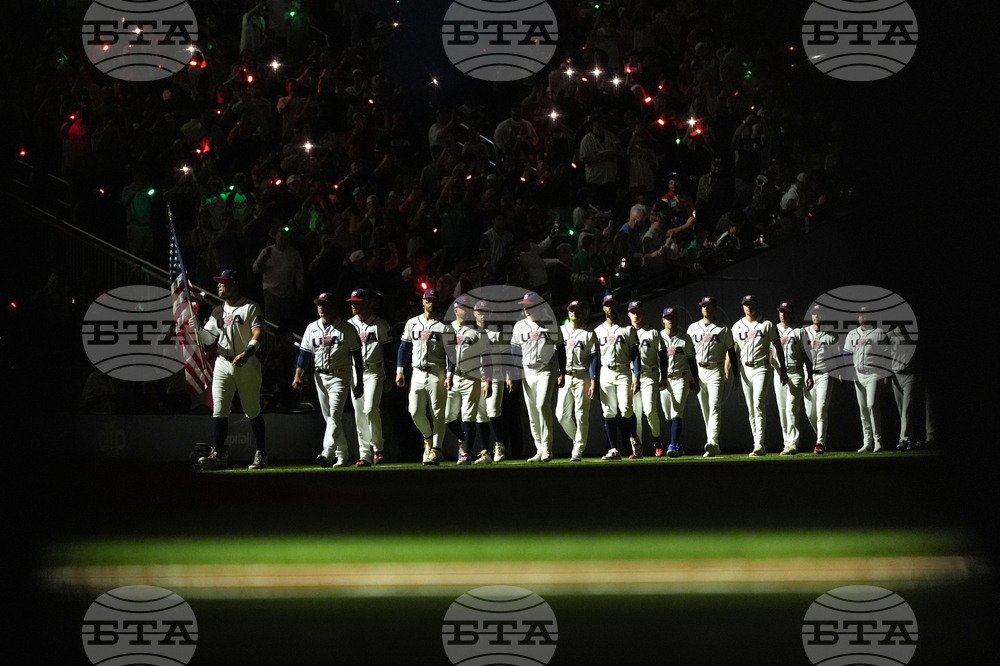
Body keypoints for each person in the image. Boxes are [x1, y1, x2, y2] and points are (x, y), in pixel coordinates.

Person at [189, 270, 267, 470]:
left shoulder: (250, 307)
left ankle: (261, 453)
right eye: (219, 283)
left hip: (246, 361)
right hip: (223, 363)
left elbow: (258, 332)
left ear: (234, 284)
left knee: (252, 409)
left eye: (223, 282)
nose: (219, 286)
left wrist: (247, 353)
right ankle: (219, 453)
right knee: (219, 409)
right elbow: (208, 339)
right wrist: (197, 328)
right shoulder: (217, 311)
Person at [294, 293, 365, 468]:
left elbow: (357, 356)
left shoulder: (347, 328)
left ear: (333, 306)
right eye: (319, 304)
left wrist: (359, 382)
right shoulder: (312, 328)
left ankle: (327, 452)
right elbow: (304, 354)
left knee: (334, 414)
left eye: (324, 304)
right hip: (320, 376)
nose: (321, 307)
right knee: (330, 418)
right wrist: (298, 375)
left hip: (340, 375)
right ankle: (343, 455)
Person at [396, 288, 451, 465]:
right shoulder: (412, 323)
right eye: (429, 300)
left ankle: (436, 449)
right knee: (415, 411)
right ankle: (428, 438)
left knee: (438, 413)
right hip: (417, 371)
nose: (431, 303)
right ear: (423, 302)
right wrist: (399, 370)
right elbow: (404, 348)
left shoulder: (444, 325)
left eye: (434, 300)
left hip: (437, 370)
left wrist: (450, 374)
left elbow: (452, 353)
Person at [510, 292, 566, 462]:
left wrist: (562, 371)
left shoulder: (550, 323)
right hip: (527, 371)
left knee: (542, 405)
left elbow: (561, 349)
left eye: (530, 304)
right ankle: (539, 449)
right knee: (532, 411)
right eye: (525, 305)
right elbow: (515, 350)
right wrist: (513, 373)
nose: (526, 308)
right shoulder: (519, 325)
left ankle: (547, 448)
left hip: (545, 369)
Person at [730, 295, 788, 456]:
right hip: (745, 369)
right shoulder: (737, 326)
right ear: (742, 307)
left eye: (751, 304)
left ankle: (759, 444)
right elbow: (733, 349)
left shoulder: (767, 324)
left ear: (757, 305)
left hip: (762, 367)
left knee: (758, 404)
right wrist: (727, 368)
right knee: (751, 408)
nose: (749, 307)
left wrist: (782, 368)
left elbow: (777, 346)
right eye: (746, 304)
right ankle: (756, 441)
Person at [444, 295, 493, 464]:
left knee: (469, 417)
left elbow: (487, 359)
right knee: (447, 416)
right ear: (456, 309)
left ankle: (466, 453)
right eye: (463, 307)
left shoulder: (478, 332)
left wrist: (488, 381)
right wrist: (449, 374)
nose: (466, 311)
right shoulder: (450, 329)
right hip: (455, 377)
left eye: (468, 308)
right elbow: (452, 355)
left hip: (472, 377)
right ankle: (463, 440)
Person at [688, 296, 739, 457]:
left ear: (714, 308)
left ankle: (712, 441)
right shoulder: (693, 328)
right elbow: (688, 355)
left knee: (715, 405)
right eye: (703, 306)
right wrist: (691, 376)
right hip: (699, 370)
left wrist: (735, 374)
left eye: (708, 306)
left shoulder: (723, 329)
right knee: (706, 409)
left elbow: (731, 351)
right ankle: (713, 443)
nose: (705, 309)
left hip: (716, 369)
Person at [347, 289, 393, 466]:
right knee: (359, 414)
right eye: (352, 302)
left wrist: (388, 377)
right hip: (355, 373)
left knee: (370, 409)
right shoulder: (348, 325)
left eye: (357, 302)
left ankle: (377, 448)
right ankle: (364, 454)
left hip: (375, 371)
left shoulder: (380, 324)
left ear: (367, 303)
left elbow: (388, 353)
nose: (353, 305)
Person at [594, 294, 640, 460]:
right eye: (607, 304)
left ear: (617, 306)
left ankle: (634, 436)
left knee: (626, 409)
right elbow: (595, 358)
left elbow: (635, 355)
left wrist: (637, 376)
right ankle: (614, 448)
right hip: (606, 371)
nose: (610, 307)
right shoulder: (598, 331)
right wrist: (594, 379)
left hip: (623, 371)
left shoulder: (627, 329)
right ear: (603, 307)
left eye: (613, 304)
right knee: (609, 412)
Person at [843, 306, 891, 453]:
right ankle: (867, 442)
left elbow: (887, 355)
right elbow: (846, 354)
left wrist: (887, 374)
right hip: (858, 374)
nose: (861, 316)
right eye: (860, 313)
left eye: (865, 313)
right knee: (863, 409)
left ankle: (878, 441)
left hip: (874, 373)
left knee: (871, 405)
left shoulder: (879, 333)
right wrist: (848, 371)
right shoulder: (852, 333)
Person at [557, 301, 598, 461]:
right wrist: (559, 373)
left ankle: (578, 451)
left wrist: (594, 381)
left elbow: (595, 358)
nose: (574, 313)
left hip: (583, 375)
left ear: (583, 313)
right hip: (566, 375)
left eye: (577, 310)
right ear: (568, 313)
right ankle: (578, 441)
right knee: (561, 415)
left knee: (581, 415)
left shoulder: (589, 333)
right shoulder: (561, 331)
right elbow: (558, 355)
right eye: (571, 310)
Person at [627, 301, 668, 457]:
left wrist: (663, 376)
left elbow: (663, 355)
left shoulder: (652, 332)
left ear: (643, 313)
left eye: (638, 312)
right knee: (635, 414)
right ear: (629, 314)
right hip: (630, 374)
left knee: (650, 410)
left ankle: (657, 442)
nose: (636, 315)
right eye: (633, 312)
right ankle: (637, 449)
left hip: (648, 373)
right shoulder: (625, 331)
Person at [772, 303, 814, 455]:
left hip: (795, 372)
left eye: (786, 312)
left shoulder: (799, 331)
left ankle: (793, 443)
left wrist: (809, 375)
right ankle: (786, 443)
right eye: (781, 311)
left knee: (791, 408)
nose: (783, 314)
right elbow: (771, 353)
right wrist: (776, 369)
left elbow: (807, 355)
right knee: (782, 410)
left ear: (792, 314)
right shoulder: (774, 329)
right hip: (779, 374)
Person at [659, 308, 700, 457]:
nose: (670, 320)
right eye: (667, 317)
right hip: (664, 379)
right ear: (663, 320)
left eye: (672, 317)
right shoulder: (658, 337)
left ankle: (671, 445)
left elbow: (691, 360)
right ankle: (677, 443)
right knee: (667, 414)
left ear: (677, 320)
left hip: (680, 377)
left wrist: (695, 379)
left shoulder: (685, 338)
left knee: (677, 411)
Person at [473, 300, 508, 464]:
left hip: (495, 375)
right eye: (480, 311)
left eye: (486, 311)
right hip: (476, 377)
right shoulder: (470, 332)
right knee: (480, 416)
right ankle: (484, 451)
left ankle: (499, 446)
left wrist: (508, 376)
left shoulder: (497, 332)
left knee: (494, 411)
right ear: (474, 313)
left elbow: (506, 356)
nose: (483, 315)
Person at [803, 304, 839, 454]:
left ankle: (820, 443)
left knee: (821, 408)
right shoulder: (805, 332)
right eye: (814, 313)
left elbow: (836, 355)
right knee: (809, 412)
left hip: (825, 373)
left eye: (819, 313)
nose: (817, 316)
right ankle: (822, 434)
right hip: (808, 374)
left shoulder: (831, 334)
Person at [252, 228, 304, 326]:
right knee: (271, 321)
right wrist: (263, 260)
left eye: (285, 240)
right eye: (280, 239)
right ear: (276, 239)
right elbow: (255, 269)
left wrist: (299, 288)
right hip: (270, 290)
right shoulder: (267, 251)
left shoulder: (294, 254)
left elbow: (299, 272)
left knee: (285, 321)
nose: (282, 243)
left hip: (287, 293)